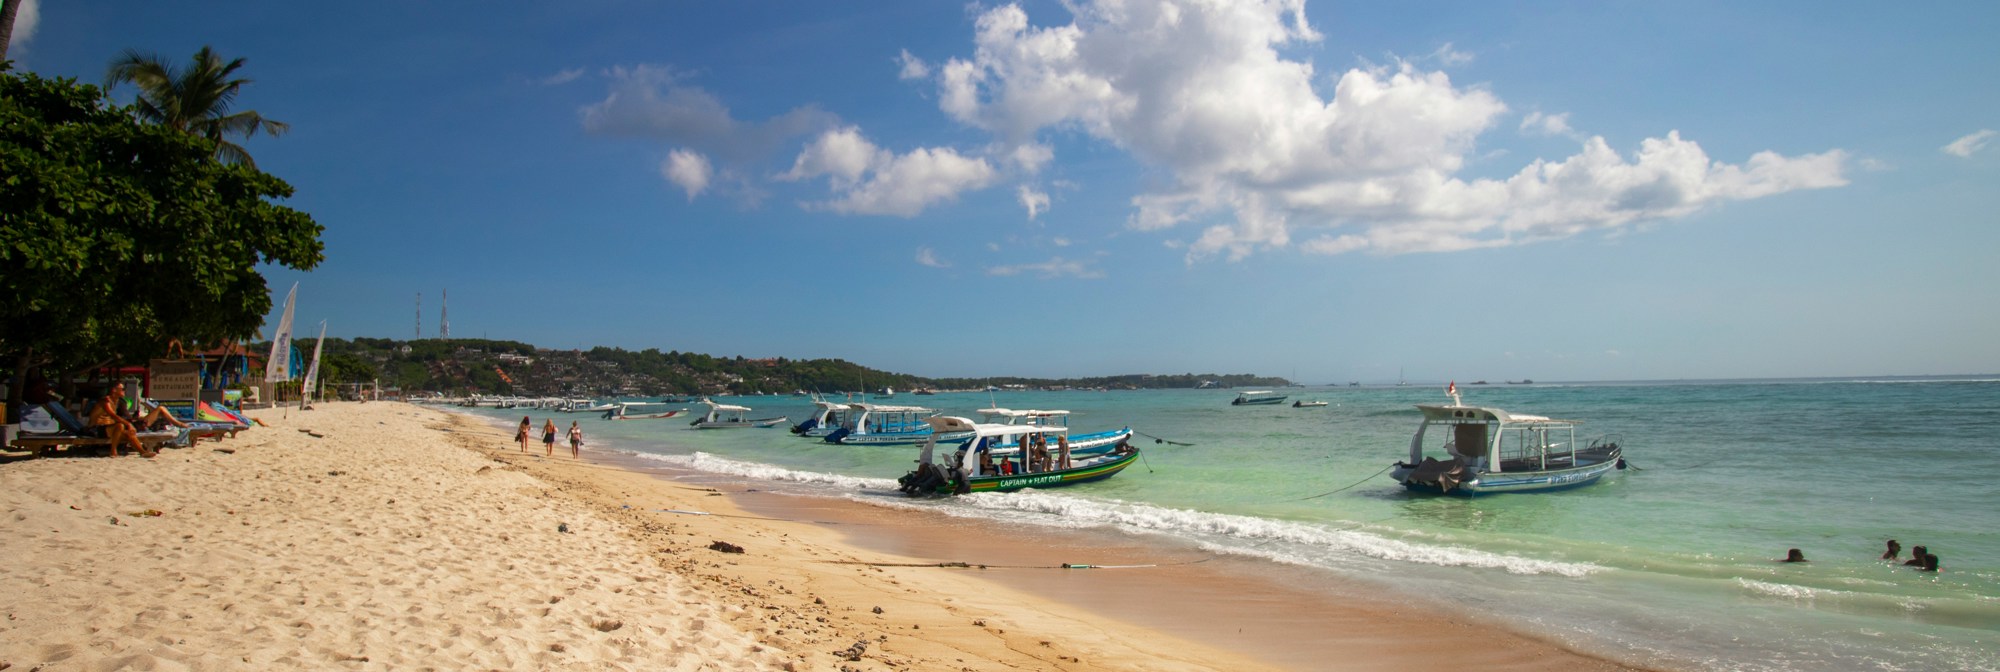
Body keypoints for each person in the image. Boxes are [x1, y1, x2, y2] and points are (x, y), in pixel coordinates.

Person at [88, 386, 154, 458]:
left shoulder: (116, 401)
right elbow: (113, 416)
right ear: (114, 390)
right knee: (120, 425)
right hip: (96, 429)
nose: (124, 391)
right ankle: (113, 451)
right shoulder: (105, 401)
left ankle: (143, 452)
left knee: (129, 433)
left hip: (108, 429)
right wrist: (128, 424)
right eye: (122, 389)